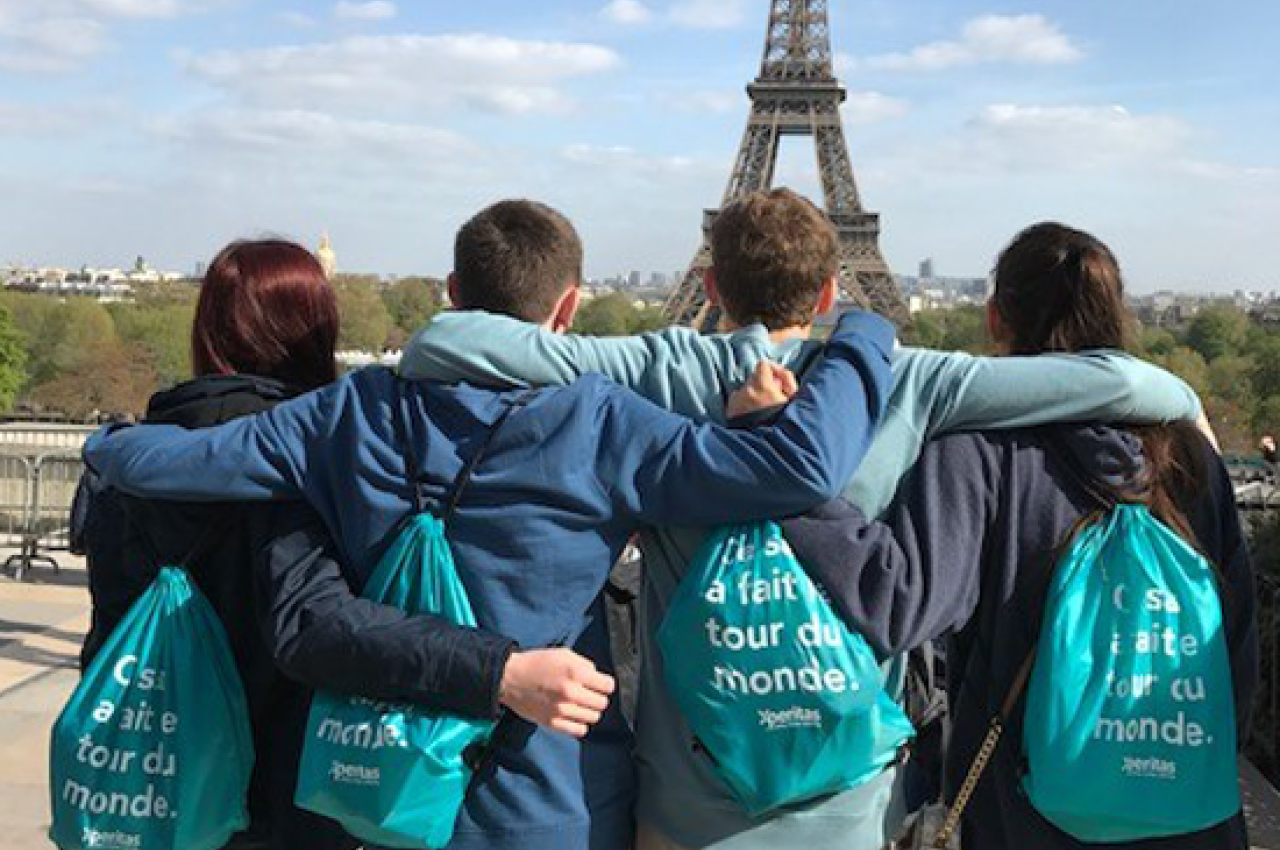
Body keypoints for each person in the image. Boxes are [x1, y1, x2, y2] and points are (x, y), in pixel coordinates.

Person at [395, 189, 1205, 849]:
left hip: (686, 800)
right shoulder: (913, 381)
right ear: (829, 293)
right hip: (851, 798)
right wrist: (1188, 401)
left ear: (711, 287)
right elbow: (1114, 382)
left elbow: (461, 344)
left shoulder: (655, 368)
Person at [82, 199, 896, 850]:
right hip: (554, 797)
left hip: (379, 792)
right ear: (567, 307)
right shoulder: (602, 422)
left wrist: (107, 440)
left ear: (451, 291)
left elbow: (174, 464)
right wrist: (859, 335)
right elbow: (793, 469)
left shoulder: (345, 413)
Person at [74, 240, 612, 850]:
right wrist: (499, 670)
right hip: (279, 802)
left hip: (148, 789)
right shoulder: (304, 458)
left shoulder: (131, 459)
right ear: (316, 330)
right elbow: (315, 627)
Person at [772, 222, 1257, 849]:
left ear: (997, 317)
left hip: (1022, 814)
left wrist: (791, 477)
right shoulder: (1189, 451)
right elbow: (1235, 636)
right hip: (1188, 809)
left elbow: (896, 601)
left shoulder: (978, 450)